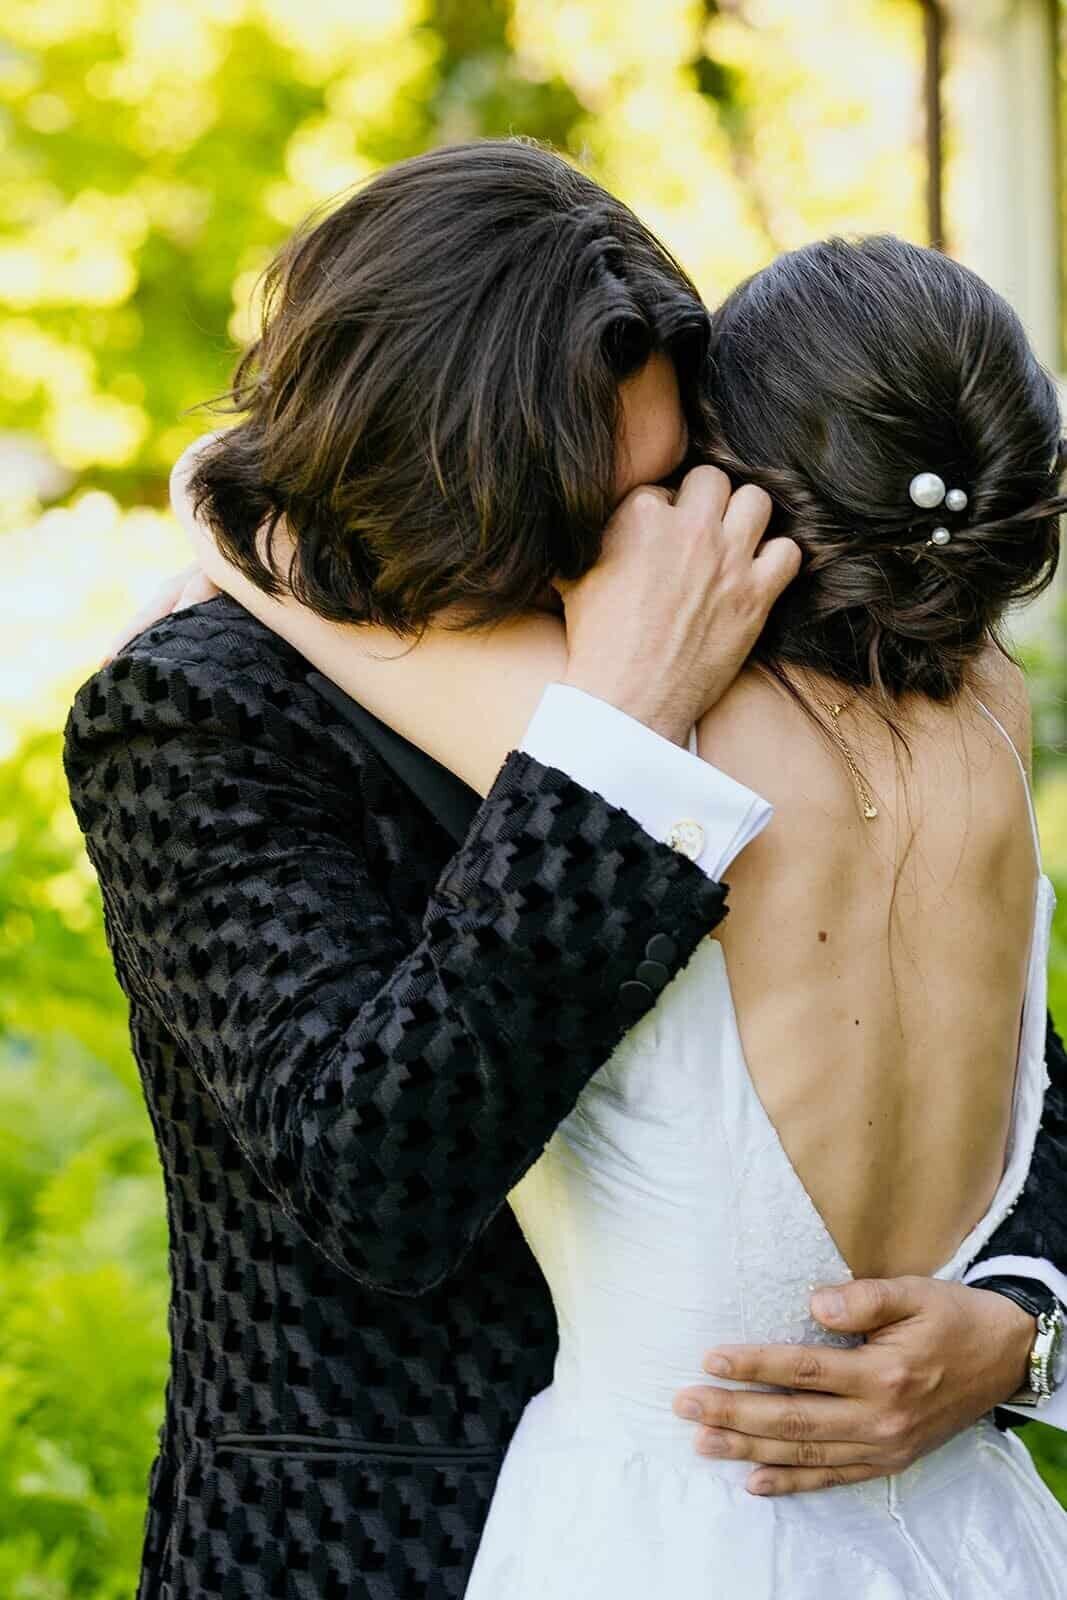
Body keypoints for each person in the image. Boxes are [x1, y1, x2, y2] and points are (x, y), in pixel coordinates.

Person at [64, 142, 1067, 1600]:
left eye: (667, 487)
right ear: (433, 460)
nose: (642, 551)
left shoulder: (756, 684)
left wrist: (1023, 1326)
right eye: (575, 514)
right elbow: (377, 1189)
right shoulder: (200, 706)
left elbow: (999, 1065)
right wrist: (617, 739)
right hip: (369, 1550)